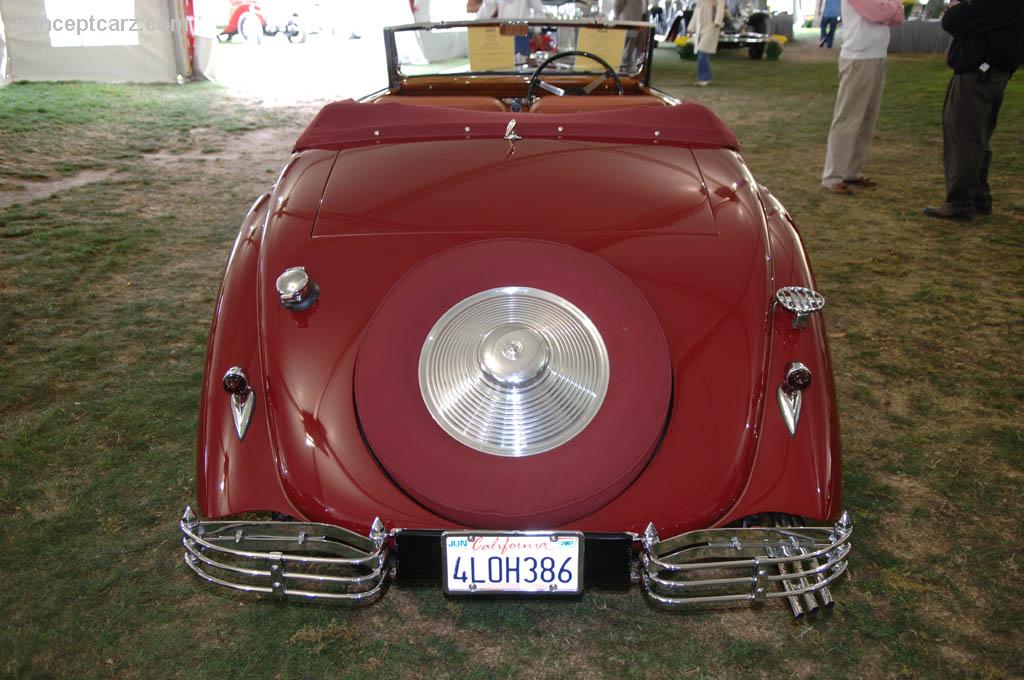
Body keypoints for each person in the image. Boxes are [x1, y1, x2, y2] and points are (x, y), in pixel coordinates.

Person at [923, 0, 1024, 221]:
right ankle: (978, 196)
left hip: (978, 75)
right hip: (991, 74)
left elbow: (953, 20)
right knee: (977, 137)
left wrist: (958, 6)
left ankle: (960, 202)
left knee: (964, 136)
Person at [820, 0, 903, 194]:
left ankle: (851, 171)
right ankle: (832, 177)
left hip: (877, 54)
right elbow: (878, 13)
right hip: (858, 56)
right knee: (848, 118)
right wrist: (892, 6)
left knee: (868, 118)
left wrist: (890, 8)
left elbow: (898, 17)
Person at [689, 0, 725, 86]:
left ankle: (704, 78)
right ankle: (706, 77)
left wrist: (717, 22)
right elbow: (696, 12)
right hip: (701, 26)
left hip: (712, 26)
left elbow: (720, 8)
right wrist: (691, 28)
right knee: (702, 52)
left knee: (702, 50)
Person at [476, 0, 544, 18]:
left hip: (521, 33)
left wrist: (537, 31)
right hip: (500, 34)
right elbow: (482, 16)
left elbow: (539, 9)